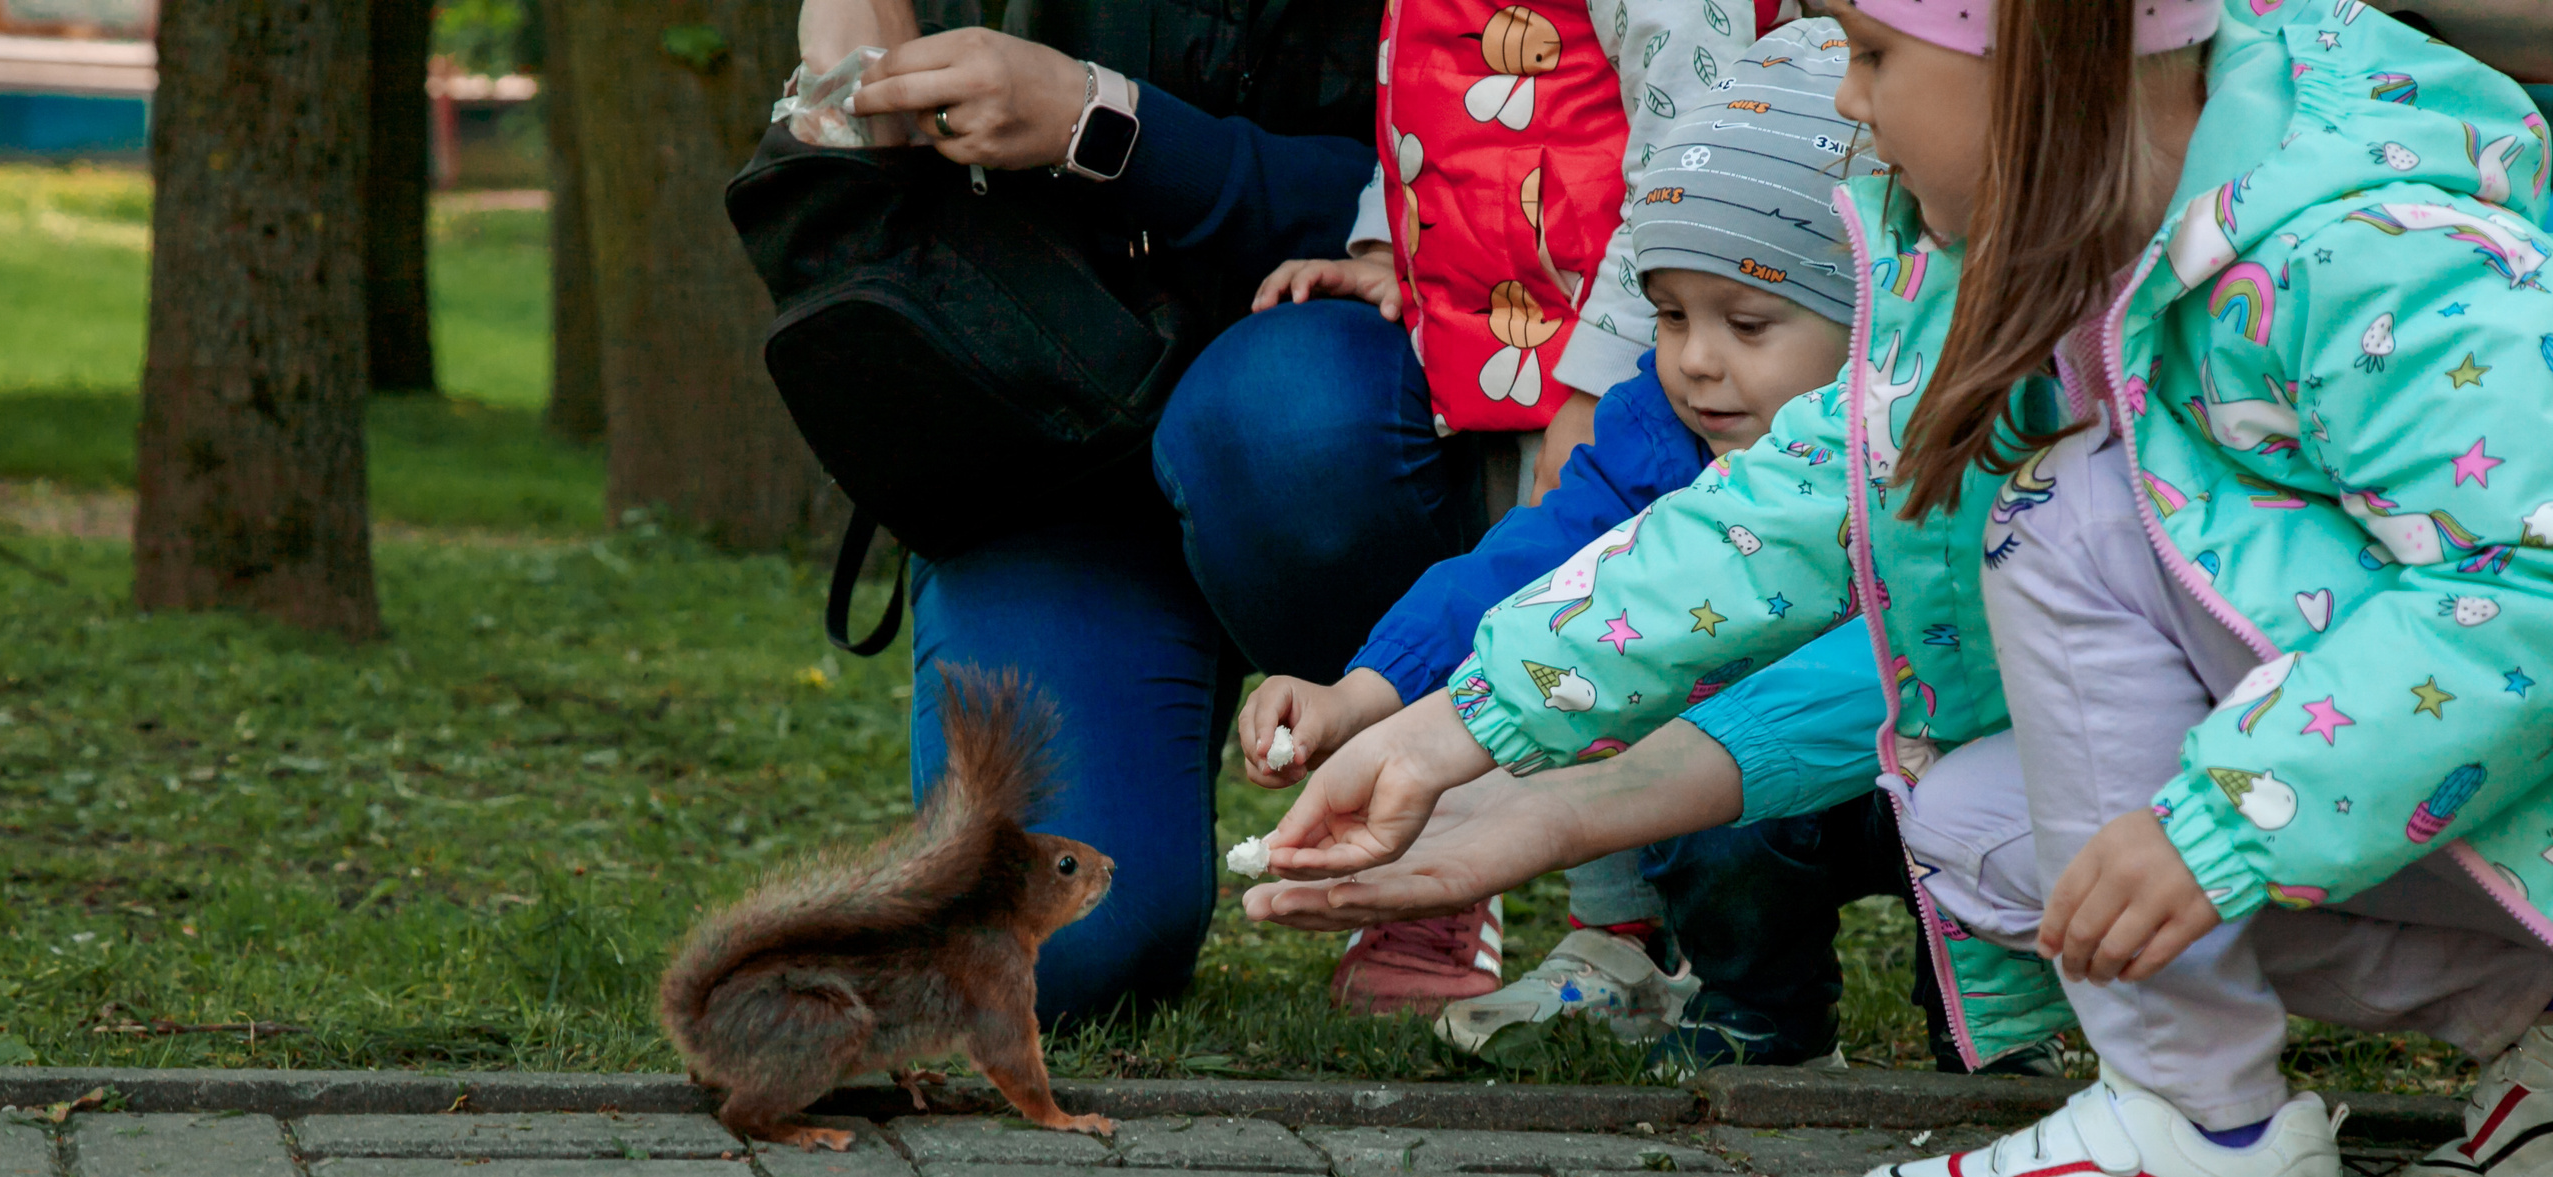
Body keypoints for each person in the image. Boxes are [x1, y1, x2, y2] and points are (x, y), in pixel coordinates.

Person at [1250, 0, 2553, 1177]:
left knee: (2069, 511)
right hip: (2424, 779)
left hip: (2454, 738)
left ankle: (2200, 1146)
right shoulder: (2052, 241)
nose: (1853, 102)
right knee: (1987, 825)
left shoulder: (2360, 237)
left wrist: (2228, 818)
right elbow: (1815, 497)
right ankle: (2509, 1036)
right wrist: (1457, 727)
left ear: (2038, 59)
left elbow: (2529, 582)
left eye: (1874, 56)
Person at [1234, 23, 1990, 1074]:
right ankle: (1755, 1004)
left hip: (1928, 767)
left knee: (1978, 819)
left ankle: (1987, 1031)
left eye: (1749, 321)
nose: (1694, 363)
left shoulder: (1956, 427)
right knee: (1710, 814)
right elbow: (1528, 563)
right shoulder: (1657, 432)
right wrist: (1364, 695)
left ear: (1874, 307)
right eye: (1670, 315)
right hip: (1730, 789)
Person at [1147, 0, 1777, 1013]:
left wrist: (1605, 376)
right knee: (1537, 590)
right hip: (1480, 348)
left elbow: (1695, 158)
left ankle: (1669, 945)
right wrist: (1381, 245)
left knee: (1626, 622)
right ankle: (1605, 934)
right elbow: (1435, 113)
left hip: (1630, 361)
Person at [787, 0, 1379, 1025]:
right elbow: (823, 249)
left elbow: (1476, 202)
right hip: (1043, 451)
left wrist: (1103, 122)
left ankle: (1418, 771)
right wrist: (837, 110)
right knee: (1050, 956)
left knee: (1287, 419)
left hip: (1321, 401)